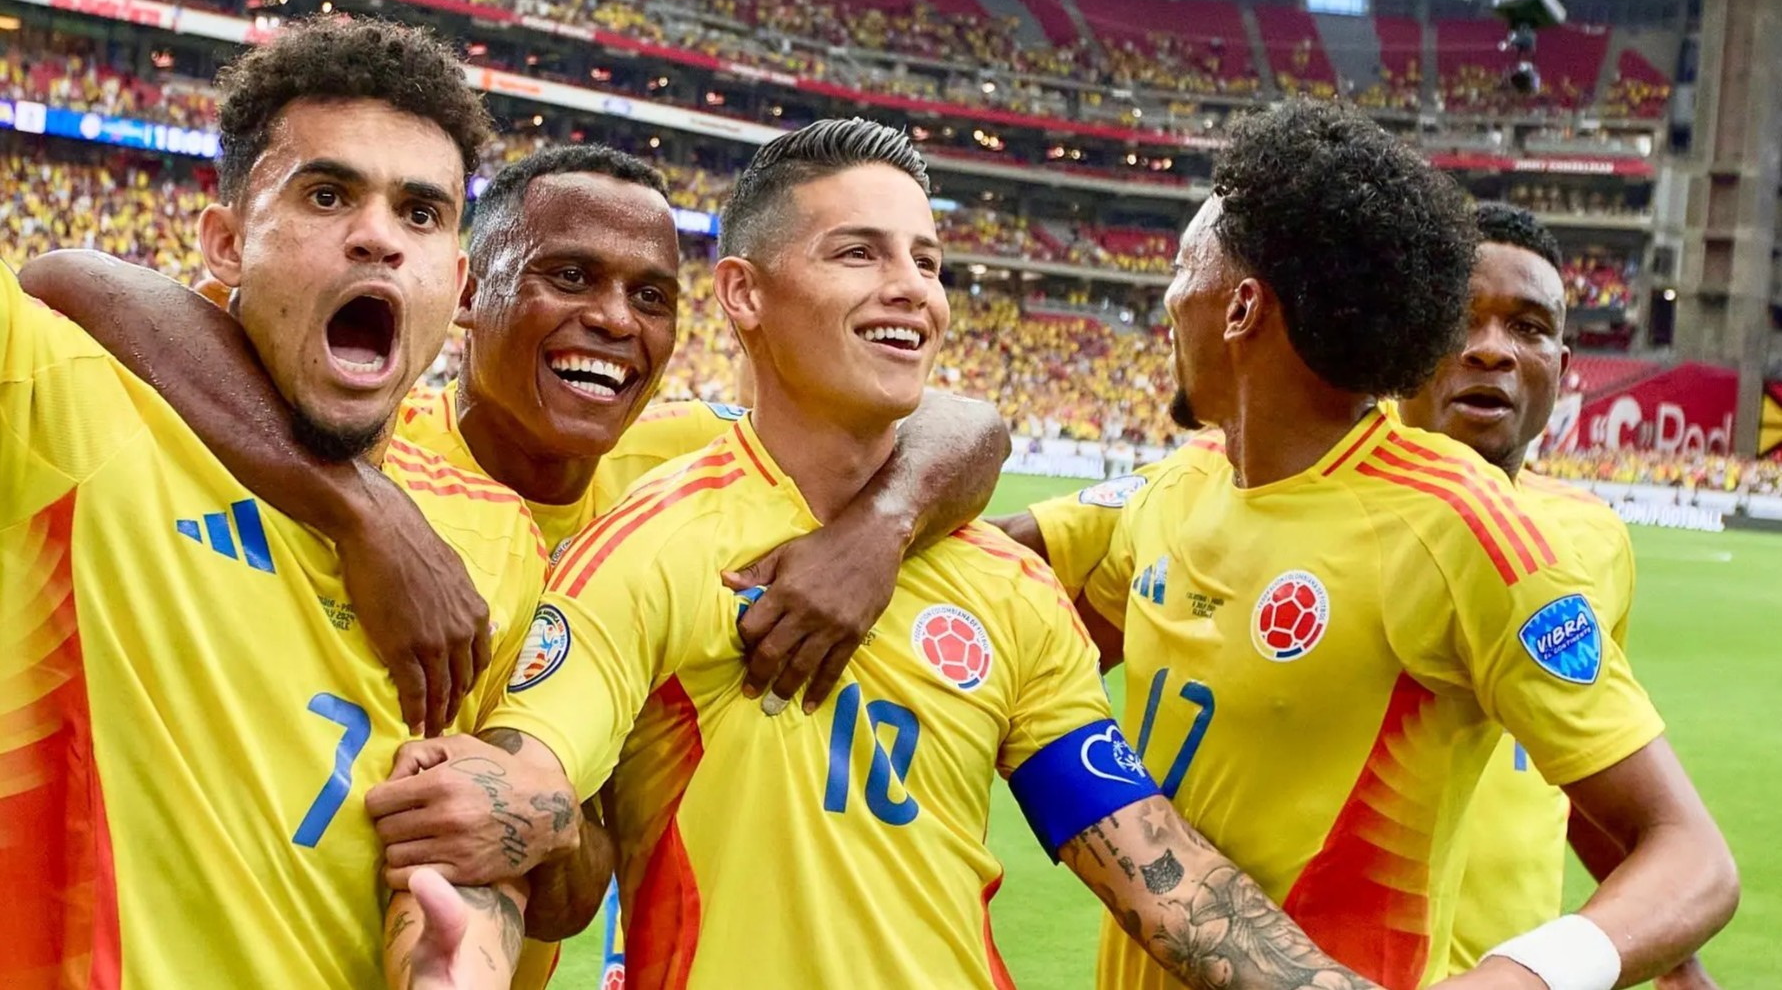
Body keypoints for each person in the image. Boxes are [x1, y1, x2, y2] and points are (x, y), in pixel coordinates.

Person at [371, 118, 1388, 990]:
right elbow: (512, 794)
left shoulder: (1005, 580)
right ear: (744, 295)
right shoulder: (647, 544)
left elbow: (1158, 869)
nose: (911, 289)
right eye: (859, 254)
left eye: (929, 263)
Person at [22, 141, 1011, 983]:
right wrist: (368, 512)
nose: (617, 320)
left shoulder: (676, 468)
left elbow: (966, 422)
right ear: (468, 290)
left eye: (650, 295)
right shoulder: (359, 439)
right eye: (568, 276)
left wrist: (876, 531)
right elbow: (81, 277)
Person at [999, 98, 1736, 990]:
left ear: (1239, 308)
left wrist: (1514, 980)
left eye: (1184, 266)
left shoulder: (1457, 525)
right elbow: (985, 577)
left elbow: (1691, 854)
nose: (1166, 295)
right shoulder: (1179, 485)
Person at [0, 17, 553, 986]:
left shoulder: (498, 537)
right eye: (327, 194)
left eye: (422, 214)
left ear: (459, 285)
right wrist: (354, 505)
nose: (379, 235)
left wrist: (450, 956)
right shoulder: (71, 406)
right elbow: (56, 279)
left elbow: (460, 829)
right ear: (224, 243)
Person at [1397, 204, 1718, 990]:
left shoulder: (1593, 538)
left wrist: (1679, 966)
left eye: (1528, 327)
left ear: (1563, 365)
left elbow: (1589, 771)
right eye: (1459, 318)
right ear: (1402, 339)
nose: (1491, 349)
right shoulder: (1316, 503)